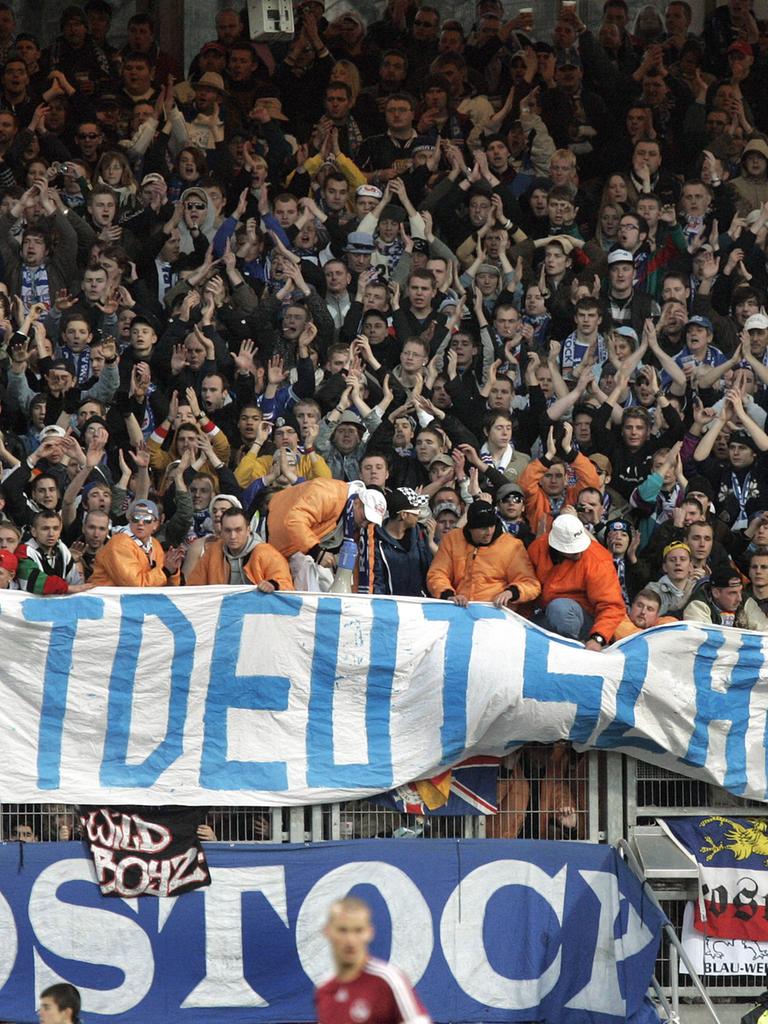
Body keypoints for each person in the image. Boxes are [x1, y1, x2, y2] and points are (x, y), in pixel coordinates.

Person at [315, 896, 431, 1024]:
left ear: (369, 933)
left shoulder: (388, 980)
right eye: (343, 930)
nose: (350, 940)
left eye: (358, 931)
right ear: (327, 931)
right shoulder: (324, 989)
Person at [528, 513, 626, 650]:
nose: (578, 552)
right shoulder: (538, 548)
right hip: (546, 614)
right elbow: (528, 585)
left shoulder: (598, 560)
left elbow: (612, 606)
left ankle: (570, 651)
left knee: (560, 609)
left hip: (585, 621)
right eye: (573, 550)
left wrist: (598, 638)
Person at [427, 499, 540, 607]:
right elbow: (437, 574)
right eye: (483, 528)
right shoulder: (452, 539)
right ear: (470, 528)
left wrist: (511, 593)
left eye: (492, 525)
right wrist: (448, 595)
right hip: (459, 607)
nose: (489, 532)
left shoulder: (512, 546)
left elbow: (531, 584)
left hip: (496, 611)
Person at [186, 507, 294, 590]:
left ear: (248, 530)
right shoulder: (213, 552)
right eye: (228, 530)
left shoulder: (268, 554)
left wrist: (273, 585)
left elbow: (286, 585)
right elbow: (194, 586)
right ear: (221, 531)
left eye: (238, 530)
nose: (233, 536)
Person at [89, 498, 184, 587]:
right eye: (136, 518)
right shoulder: (119, 543)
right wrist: (166, 571)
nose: (140, 523)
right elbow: (134, 585)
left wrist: (173, 571)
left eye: (147, 519)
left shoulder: (155, 544)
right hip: (104, 601)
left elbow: (167, 585)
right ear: (129, 521)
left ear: (156, 524)